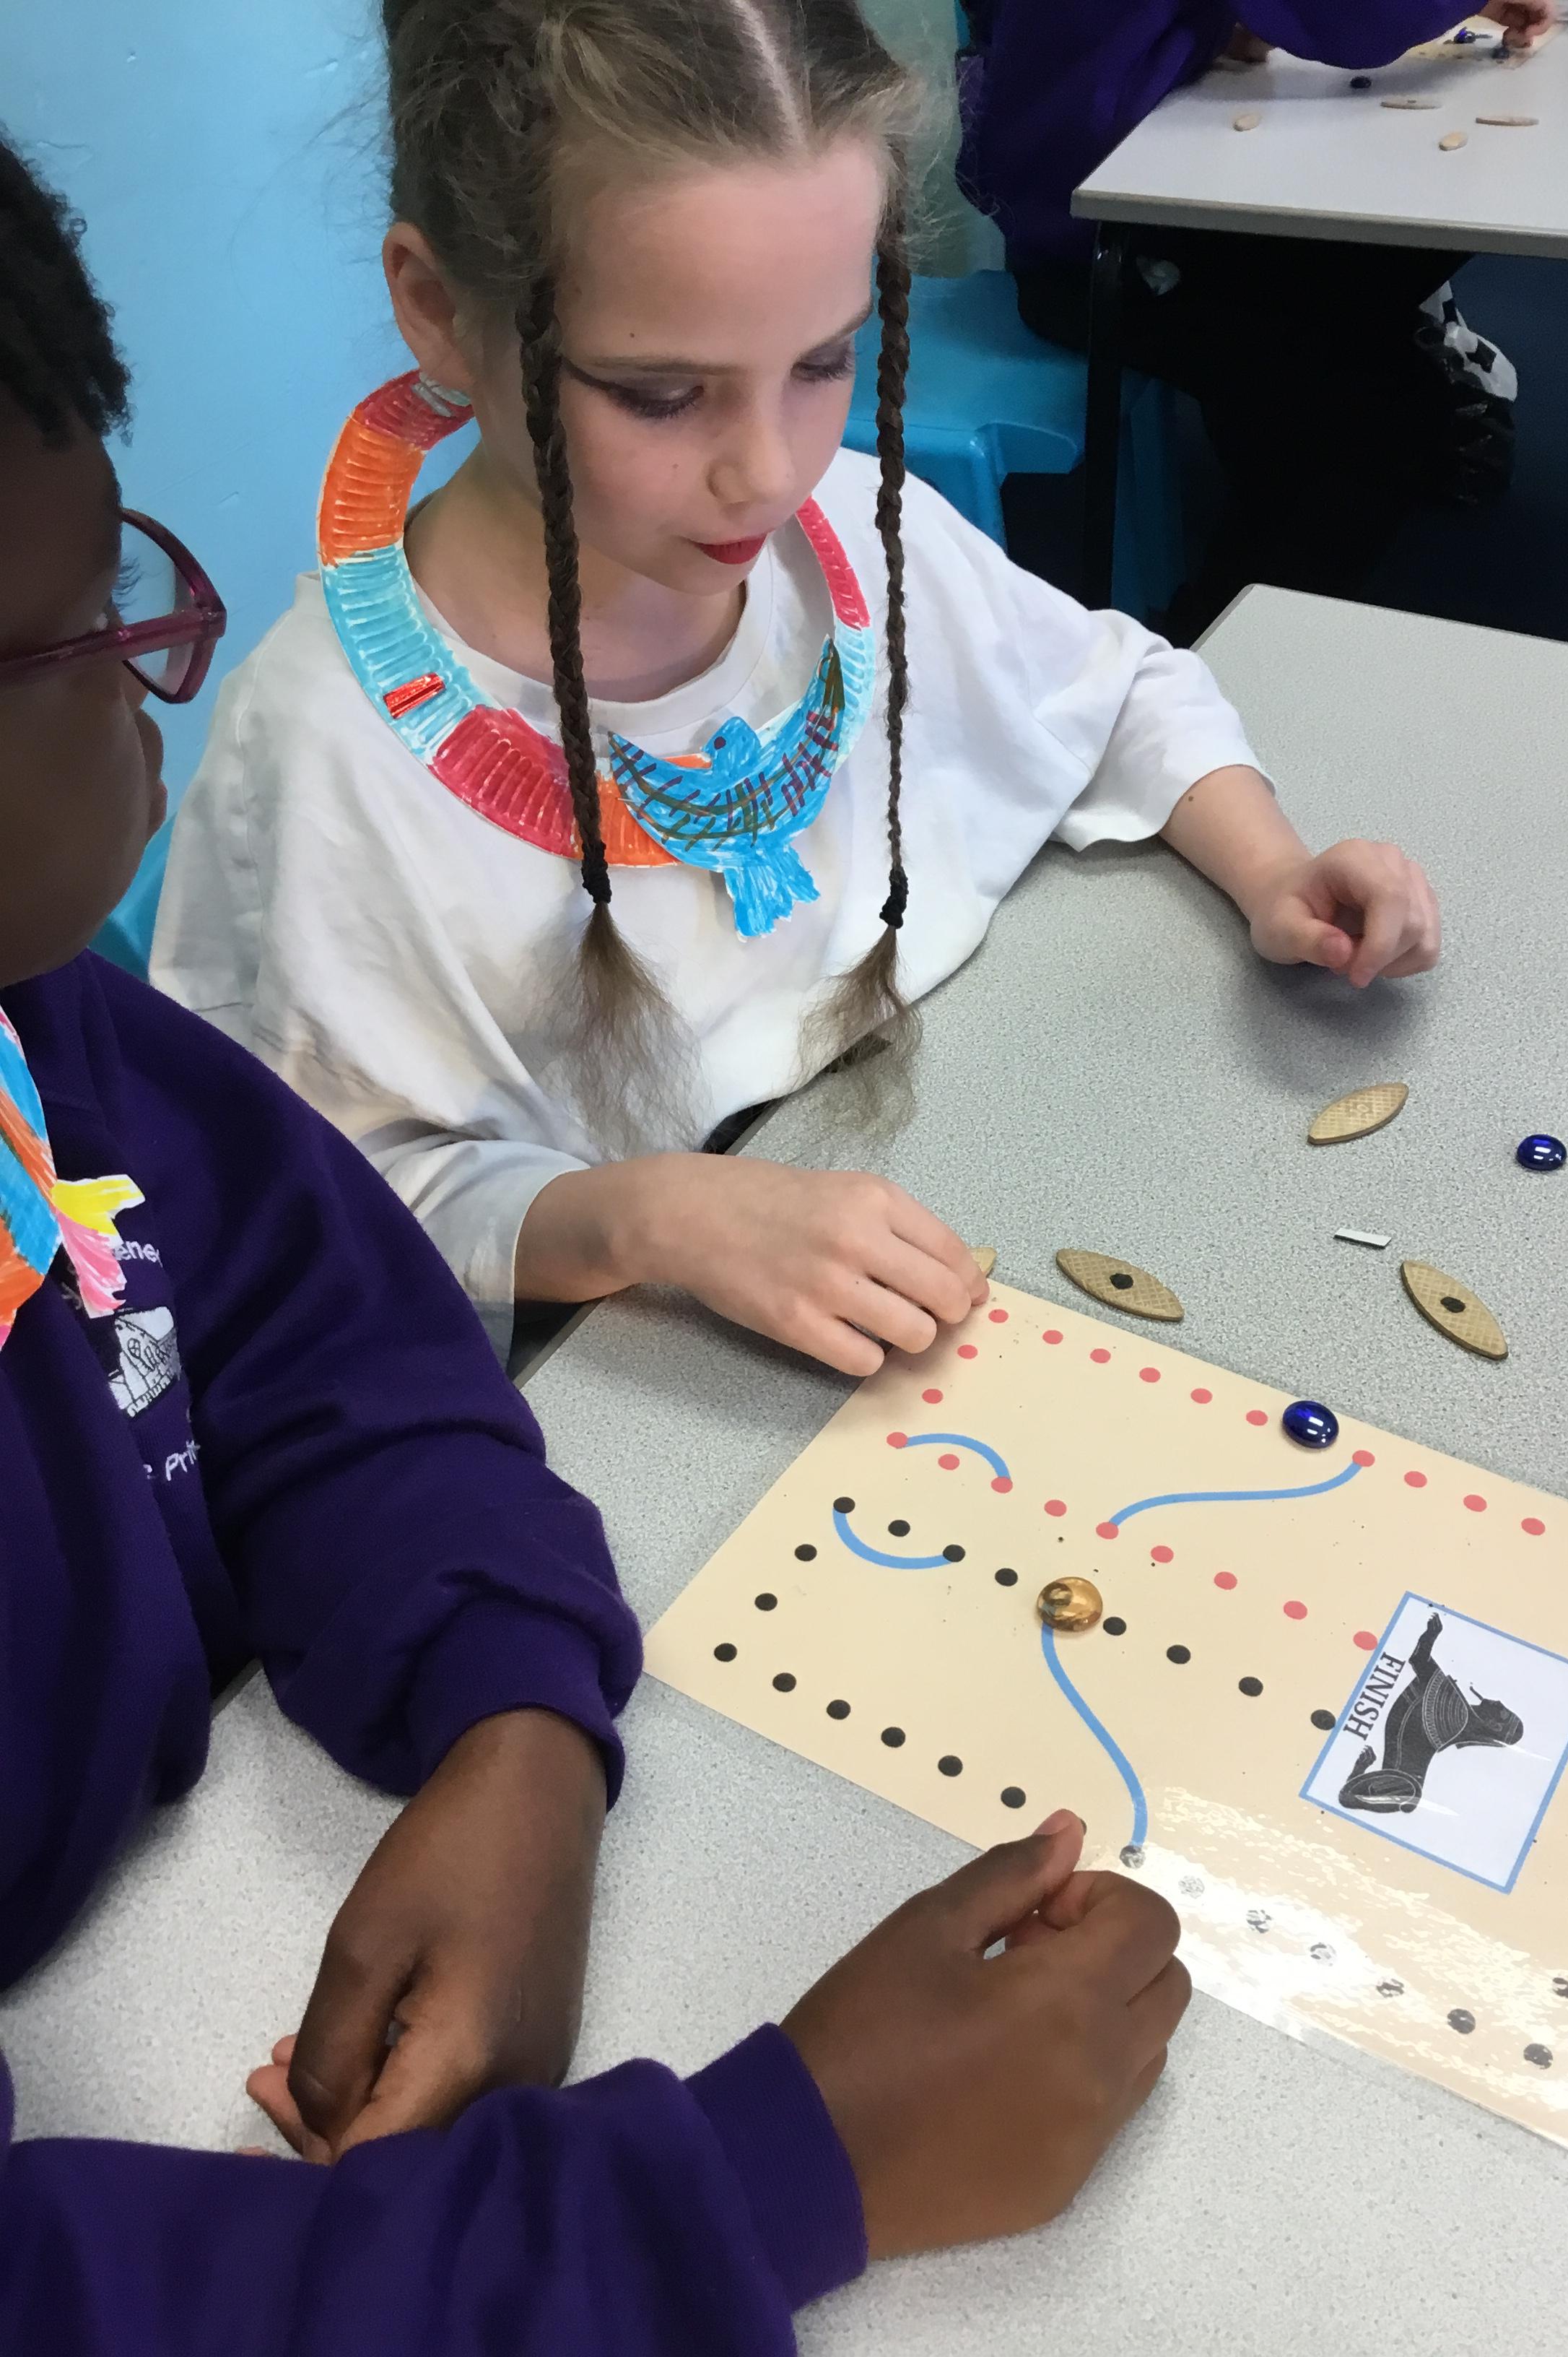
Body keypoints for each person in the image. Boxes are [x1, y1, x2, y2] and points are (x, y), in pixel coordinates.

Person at [0, 137, 1193, 2352]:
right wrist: (750, 2183)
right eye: (76, 636)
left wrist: (515, 1717)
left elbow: (318, 1334)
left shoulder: (57, 1048)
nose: (151, 686)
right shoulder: (323, 746)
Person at [152, 0, 1442, 1377]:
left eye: (824, 361)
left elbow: (1112, 686)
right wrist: (643, 1216)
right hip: (617, 1371)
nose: (766, 473)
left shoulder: (853, 534)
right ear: (437, 311)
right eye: (661, 394)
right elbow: (320, 1205)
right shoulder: (327, 753)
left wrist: (1270, 865)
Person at [957, 1, 1556, 641]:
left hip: (1076, 203)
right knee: (1375, 420)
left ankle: (1299, 461)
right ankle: (1222, 648)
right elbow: (1349, 22)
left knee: (1356, 311)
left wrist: (1198, 33)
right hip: (1102, 249)